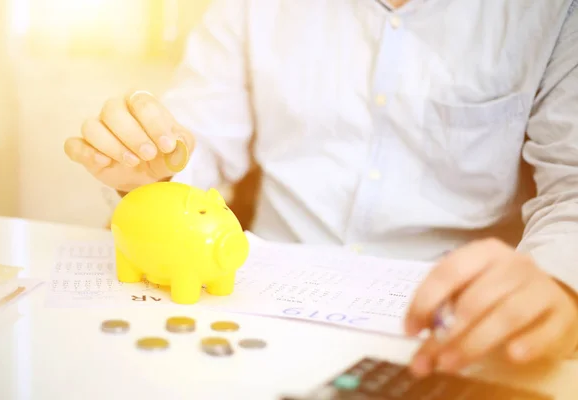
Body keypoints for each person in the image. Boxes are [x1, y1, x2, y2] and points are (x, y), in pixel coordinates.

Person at [64, 0, 578, 377]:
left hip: (453, 331)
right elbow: (191, 150)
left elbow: (572, 187)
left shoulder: (554, 13)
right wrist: (147, 169)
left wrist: (559, 284)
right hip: (257, 314)